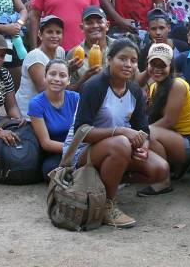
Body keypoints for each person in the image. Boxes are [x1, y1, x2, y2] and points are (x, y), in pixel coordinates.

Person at [68, 39, 170, 228]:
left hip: (114, 149)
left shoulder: (135, 91)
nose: (128, 64)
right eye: (122, 59)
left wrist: (144, 147)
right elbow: (81, 131)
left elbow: (143, 130)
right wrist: (120, 130)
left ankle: (108, 180)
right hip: (82, 151)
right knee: (122, 142)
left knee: (160, 169)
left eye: (133, 60)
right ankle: (107, 205)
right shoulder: (94, 86)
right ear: (109, 60)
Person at [137, 43, 190, 196]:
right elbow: (136, 85)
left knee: (148, 132)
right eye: (153, 64)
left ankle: (163, 181)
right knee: (146, 131)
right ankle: (171, 169)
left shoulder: (178, 85)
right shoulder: (155, 87)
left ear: (170, 66)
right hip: (178, 139)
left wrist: (141, 136)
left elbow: (169, 121)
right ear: (147, 64)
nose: (157, 69)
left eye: (162, 65)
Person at [28, 59, 80, 179]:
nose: (57, 79)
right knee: (49, 170)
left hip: (78, 147)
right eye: (52, 74)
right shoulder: (36, 104)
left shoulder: (76, 98)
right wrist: (74, 150)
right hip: (55, 152)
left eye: (62, 75)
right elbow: (46, 143)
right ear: (45, 77)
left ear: (68, 80)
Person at [16, 15, 66, 115]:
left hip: (48, 109)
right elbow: (44, 89)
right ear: (40, 34)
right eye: (49, 32)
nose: (54, 36)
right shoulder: (35, 56)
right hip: (28, 113)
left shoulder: (60, 51)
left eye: (58, 32)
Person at [69, 6, 112, 92]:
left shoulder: (119, 47)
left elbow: (132, 80)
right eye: (89, 23)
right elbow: (69, 92)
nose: (95, 26)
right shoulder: (74, 53)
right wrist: (85, 78)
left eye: (99, 22)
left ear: (107, 25)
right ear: (82, 27)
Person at [137, 8, 189, 74]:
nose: (158, 32)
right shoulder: (145, 53)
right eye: (153, 29)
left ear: (169, 28)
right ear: (148, 30)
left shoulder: (182, 47)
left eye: (161, 28)